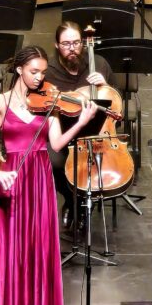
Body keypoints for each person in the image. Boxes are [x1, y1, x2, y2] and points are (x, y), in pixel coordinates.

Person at [0, 45, 97, 305]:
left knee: (38, 252)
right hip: (11, 177)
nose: (39, 77)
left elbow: (55, 144)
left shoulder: (48, 102)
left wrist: (80, 123)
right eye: (34, 71)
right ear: (19, 70)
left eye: (42, 72)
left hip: (40, 181)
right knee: (8, 256)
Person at [45, 20, 115, 230]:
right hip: (63, 135)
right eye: (66, 44)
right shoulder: (48, 71)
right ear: (57, 45)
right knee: (51, 162)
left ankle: (84, 202)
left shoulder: (99, 63)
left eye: (76, 43)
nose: (72, 48)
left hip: (95, 133)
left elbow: (116, 101)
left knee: (100, 163)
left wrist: (106, 85)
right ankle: (73, 200)